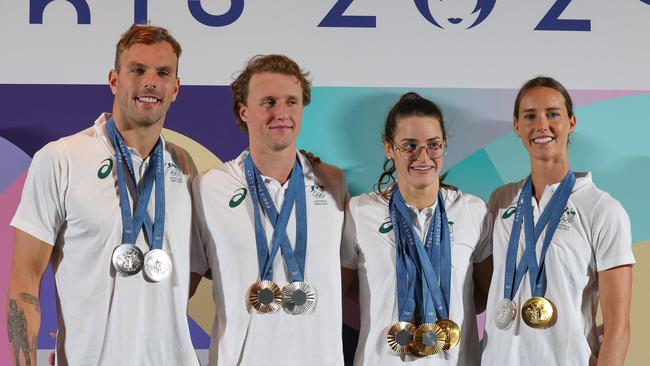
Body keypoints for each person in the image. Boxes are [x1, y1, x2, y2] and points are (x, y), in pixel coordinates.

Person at [7, 24, 200, 366]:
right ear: (114, 80)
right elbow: (25, 277)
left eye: (163, 73)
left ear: (176, 88)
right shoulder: (61, 158)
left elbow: (199, 264)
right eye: (137, 70)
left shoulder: (183, 166)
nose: (150, 82)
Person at [190, 54, 349, 365]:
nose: (282, 113)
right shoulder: (209, 187)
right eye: (269, 102)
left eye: (292, 101)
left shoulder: (332, 181)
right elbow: (185, 284)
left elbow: (349, 278)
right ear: (244, 111)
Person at [480, 76, 634, 365]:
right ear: (516, 127)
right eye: (530, 116)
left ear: (571, 123)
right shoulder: (500, 200)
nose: (541, 125)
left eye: (552, 114)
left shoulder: (602, 209)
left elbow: (618, 327)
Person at [340, 92, 491, 365]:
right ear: (389, 148)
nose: (423, 157)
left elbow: (483, 293)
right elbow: (339, 290)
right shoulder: (359, 212)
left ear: (445, 145)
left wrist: (435, 304)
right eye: (409, 145)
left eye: (433, 145)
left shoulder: (473, 210)